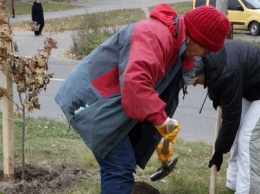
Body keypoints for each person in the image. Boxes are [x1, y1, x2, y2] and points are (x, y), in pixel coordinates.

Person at [55, 3, 230, 194]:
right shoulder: (155, 35)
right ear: (195, 39)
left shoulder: (177, 51)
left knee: (122, 162)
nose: (204, 55)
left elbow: (155, 93)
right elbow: (136, 84)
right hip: (91, 101)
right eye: (207, 49)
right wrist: (162, 121)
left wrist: (163, 134)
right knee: (120, 165)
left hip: (109, 103)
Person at [192, 40, 260, 194]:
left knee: (248, 138)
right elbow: (217, 89)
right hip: (251, 88)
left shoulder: (227, 72)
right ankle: (234, 184)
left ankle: (249, 190)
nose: (195, 85)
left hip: (255, 88)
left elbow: (231, 119)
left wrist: (218, 152)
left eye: (195, 80)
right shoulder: (211, 63)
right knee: (236, 137)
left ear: (202, 72)